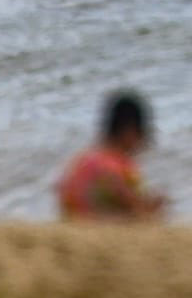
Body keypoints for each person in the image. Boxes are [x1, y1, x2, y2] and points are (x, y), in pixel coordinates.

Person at [56, 90, 168, 221]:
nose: (141, 144)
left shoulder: (79, 162)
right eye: (142, 135)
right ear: (129, 131)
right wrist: (154, 207)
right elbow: (139, 211)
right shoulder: (118, 168)